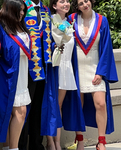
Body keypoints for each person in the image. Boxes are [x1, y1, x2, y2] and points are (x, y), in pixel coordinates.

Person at [62, 0, 118, 150]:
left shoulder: (101, 20)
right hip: (77, 69)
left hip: (95, 66)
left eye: (86, 0)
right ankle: (79, 140)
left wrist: (101, 72)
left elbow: (106, 47)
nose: (85, 4)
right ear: (77, 6)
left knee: (100, 103)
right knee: (77, 105)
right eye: (80, 3)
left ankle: (101, 142)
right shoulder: (71, 19)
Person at [18, 0, 63, 150]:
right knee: (24, 107)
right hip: (26, 66)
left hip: (43, 67)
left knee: (39, 107)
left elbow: (47, 36)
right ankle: (22, 145)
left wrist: (55, 46)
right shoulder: (22, 5)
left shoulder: (45, 10)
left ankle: (36, 145)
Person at [0, 0, 32, 150]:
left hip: (21, 75)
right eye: (19, 10)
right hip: (7, 76)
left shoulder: (21, 26)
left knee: (17, 113)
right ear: (10, 10)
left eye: (23, 10)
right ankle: (12, 148)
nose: (22, 13)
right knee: (15, 113)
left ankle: (9, 148)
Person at [47, 0, 77, 150]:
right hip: (54, 67)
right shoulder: (50, 21)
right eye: (61, 1)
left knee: (58, 106)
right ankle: (51, 142)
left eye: (67, 1)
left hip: (66, 67)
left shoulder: (70, 22)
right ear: (54, 5)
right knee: (51, 105)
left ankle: (56, 142)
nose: (66, 4)